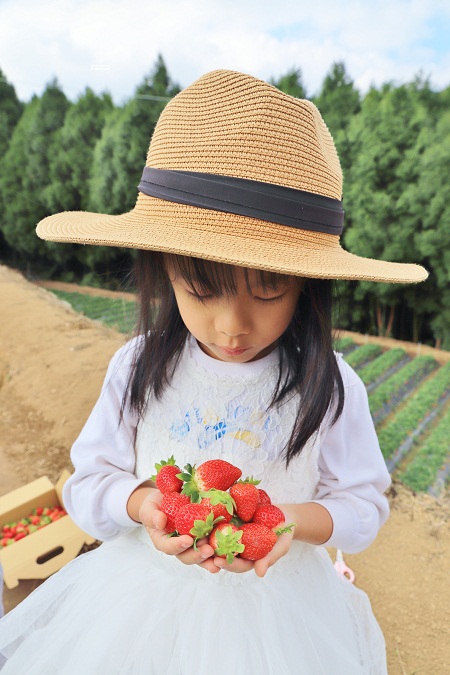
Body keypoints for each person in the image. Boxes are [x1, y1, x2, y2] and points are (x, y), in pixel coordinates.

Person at [0, 69, 427, 674]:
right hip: (138, 606)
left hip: (282, 615)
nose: (232, 325)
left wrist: (287, 523)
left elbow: (362, 506)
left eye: (269, 289)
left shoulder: (328, 386)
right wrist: (144, 503)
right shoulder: (139, 368)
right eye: (201, 288)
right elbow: (87, 486)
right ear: (163, 270)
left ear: (309, 287)